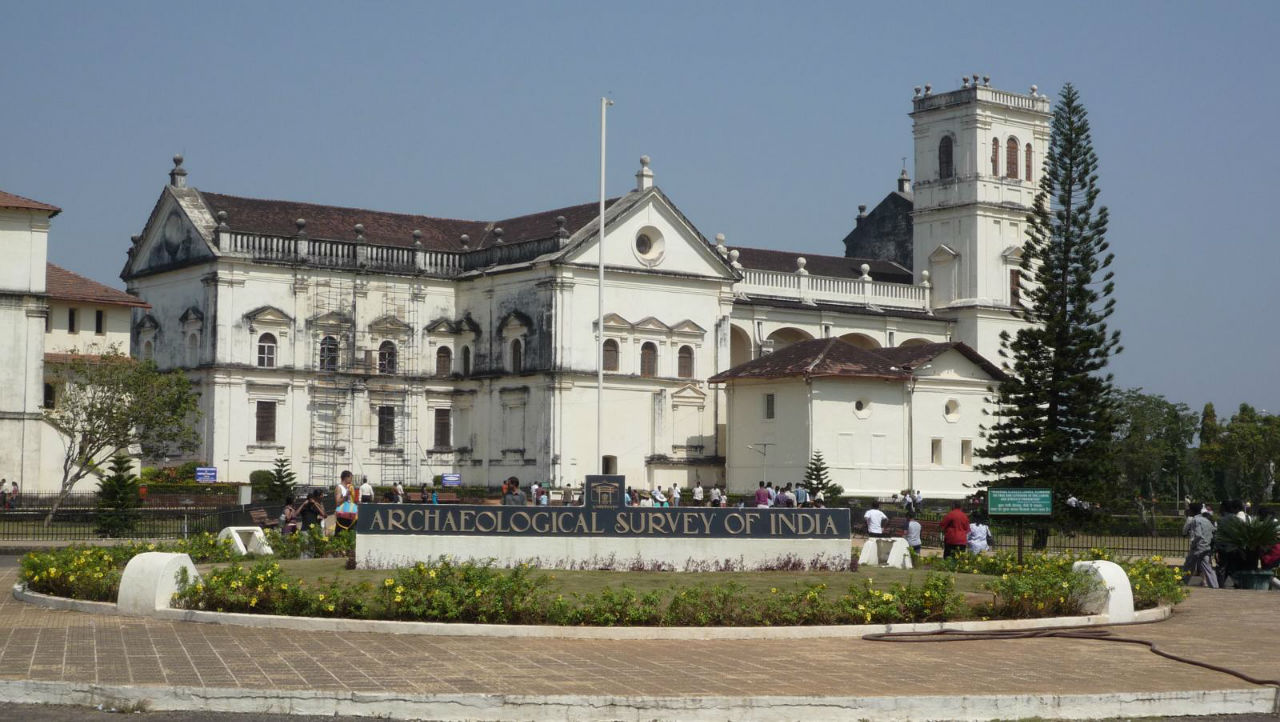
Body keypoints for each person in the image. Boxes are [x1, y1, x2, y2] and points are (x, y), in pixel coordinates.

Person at [1182, 502, 1218, 588]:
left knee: (1188, 566)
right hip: (1206, 547)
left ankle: (1182, 583)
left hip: (1198, 548)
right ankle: (1215, 586)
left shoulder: (1195, 520)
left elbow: (1198, 535)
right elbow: (1214, 531)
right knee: (1208, 568)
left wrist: (1194, 544)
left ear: (1191, 511)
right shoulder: (1206, 520)